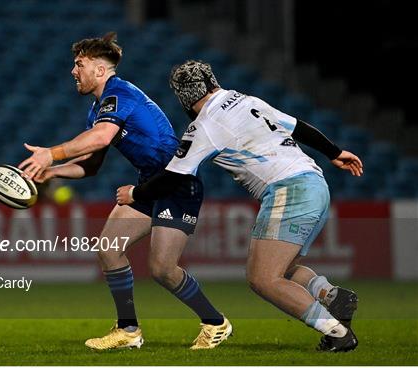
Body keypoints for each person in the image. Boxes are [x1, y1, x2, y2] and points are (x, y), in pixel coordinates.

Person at [116, 60, 363, 352]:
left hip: (289, 191)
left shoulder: (205, 124)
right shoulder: (247, 100)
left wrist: (136, 193)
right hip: (315, 183)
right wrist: (334, 152)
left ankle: (336, 331)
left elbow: (173, 177)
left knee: (263, 279)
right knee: (282, 269)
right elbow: (298, 127)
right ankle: (331, 295)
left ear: (184, 95)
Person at [19, 35, 232, 350]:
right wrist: (50, 172)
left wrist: (51, 154)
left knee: (162, 269)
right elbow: (90, 165)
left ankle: (215, 323)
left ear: (101, 70)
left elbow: (101, 138)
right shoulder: (99, 109)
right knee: (108, 247)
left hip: (175, 183)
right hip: (149, 183)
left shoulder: (120, 94)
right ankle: (128, 330)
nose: (73, 71)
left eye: (80, 64)